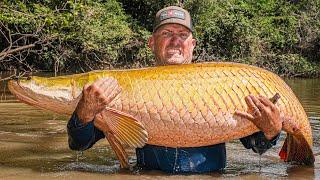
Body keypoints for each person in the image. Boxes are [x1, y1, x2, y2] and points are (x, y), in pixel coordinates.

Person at [67, 6, 282, 173]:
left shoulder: (222, 83)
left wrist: (271, 132)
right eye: (167, 33)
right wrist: (84, 114)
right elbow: (79, 145)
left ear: (193, 44)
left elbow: (257, 147)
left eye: (182, 35)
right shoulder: (127, 87)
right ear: (152, 43)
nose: (175, 41)